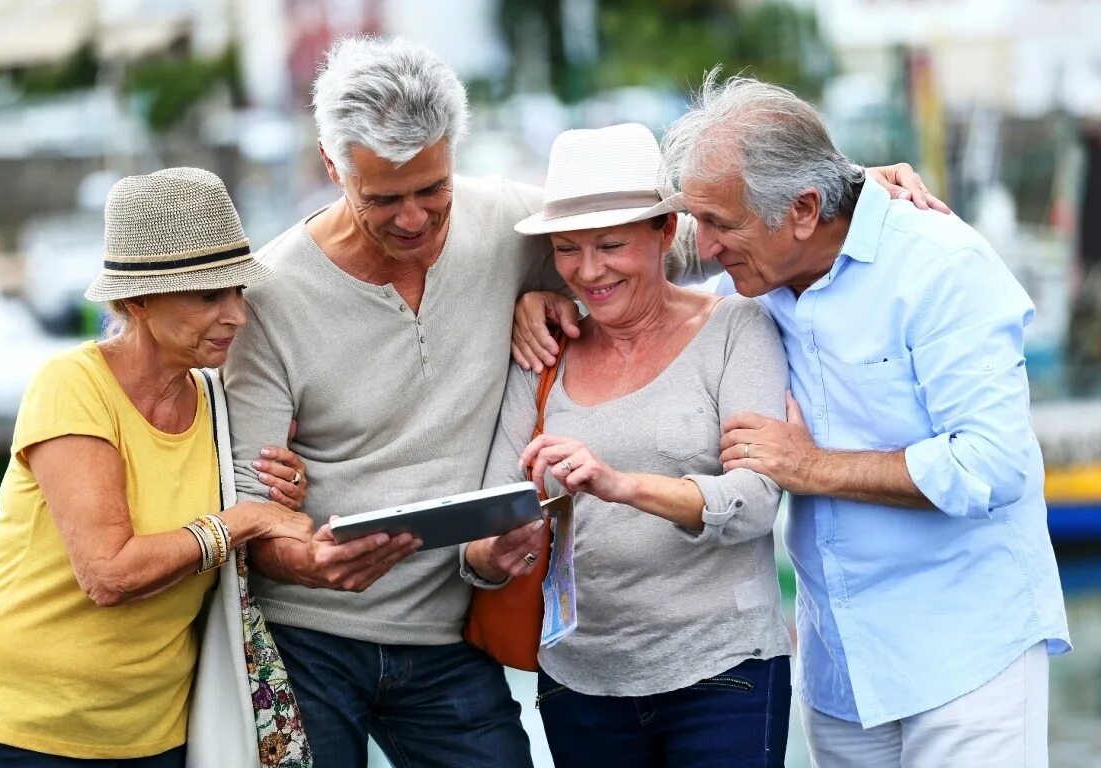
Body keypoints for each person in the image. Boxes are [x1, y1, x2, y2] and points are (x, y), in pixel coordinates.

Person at [222, 35, 939, 768]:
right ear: (329, 164)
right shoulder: (272, 293)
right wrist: (307, 561)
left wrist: (848, 195)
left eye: (431, 190)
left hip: (446, 637)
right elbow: (253, 500)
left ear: (452, 158)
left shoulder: (506, 222)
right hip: (312, 637)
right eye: (382, 198)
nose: (412, 219)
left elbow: (687, 236)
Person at [658, 74, 1071, 767]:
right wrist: (539, 301)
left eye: (722, 224)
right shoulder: (750, 280)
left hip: (971, 661)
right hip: (840, 668)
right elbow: (624, 265)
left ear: (804, 209)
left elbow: (991, 463)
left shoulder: (942, 267)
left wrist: (809, 467)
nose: (706, 244)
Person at [0, 168, 318, 766]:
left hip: (159, 730)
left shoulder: (219, 402)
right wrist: (244, 521)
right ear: (138, 299)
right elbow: (108, 574)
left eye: (238, 293)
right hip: (27, 726)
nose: (237, 317)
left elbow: (253, 513)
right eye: (209, 295)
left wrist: (283, 493)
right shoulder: (71, 385)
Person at [473, 122, 793, 768]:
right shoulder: (544, 350)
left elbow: (758, 500)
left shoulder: (736, 328)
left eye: (610, 245)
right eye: (567, 250)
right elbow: (486, 524)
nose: (588, 271)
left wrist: (617, 484)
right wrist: (492, 552)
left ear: (664, 233)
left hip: (724, 672)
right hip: (580, 686)